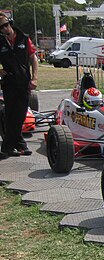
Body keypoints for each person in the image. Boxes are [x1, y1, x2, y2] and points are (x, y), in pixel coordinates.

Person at [0, 12, 38, 159]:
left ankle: (10, 146)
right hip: (9, 83)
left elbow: (33, 58)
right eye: (1, 28)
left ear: (11, 23)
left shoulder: (24, 38)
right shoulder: (1, 42)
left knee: (21, 114)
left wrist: (34, 78)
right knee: (11, 115)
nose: (4, 29)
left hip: (23, 82)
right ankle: (17, 145)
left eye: (6, 25)